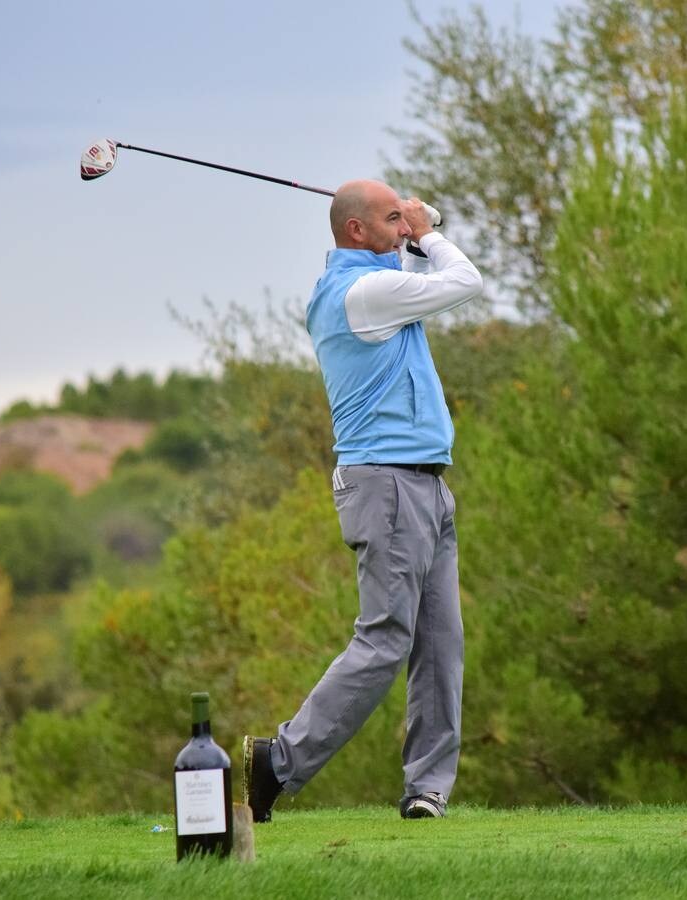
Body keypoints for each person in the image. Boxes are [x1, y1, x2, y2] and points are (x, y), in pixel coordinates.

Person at [244, 180, 484, 821]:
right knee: (384, 639)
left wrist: (414, 224)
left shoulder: (374, 286)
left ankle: (427, 789)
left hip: (424, 484)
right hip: (388, 484)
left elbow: (411, 269)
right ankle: (279, 762)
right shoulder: (361, 292)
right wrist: (429, 229)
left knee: (441, 642)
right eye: (390, 218)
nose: (402, 227)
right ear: (356, 231)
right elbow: (464, 281)